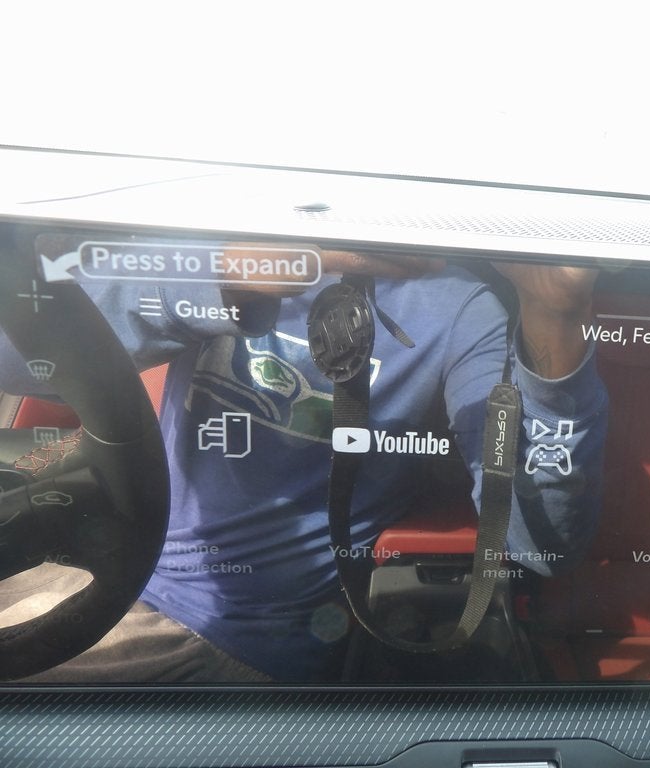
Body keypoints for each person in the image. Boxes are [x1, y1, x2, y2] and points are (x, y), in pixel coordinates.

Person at [0, 248, 608, 682]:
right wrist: (225, 273)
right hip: (99, 564)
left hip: (226, 632)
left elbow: (539, 547)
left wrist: (554, 313)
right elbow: (15, 362)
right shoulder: (226, 239)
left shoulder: (459, 307)